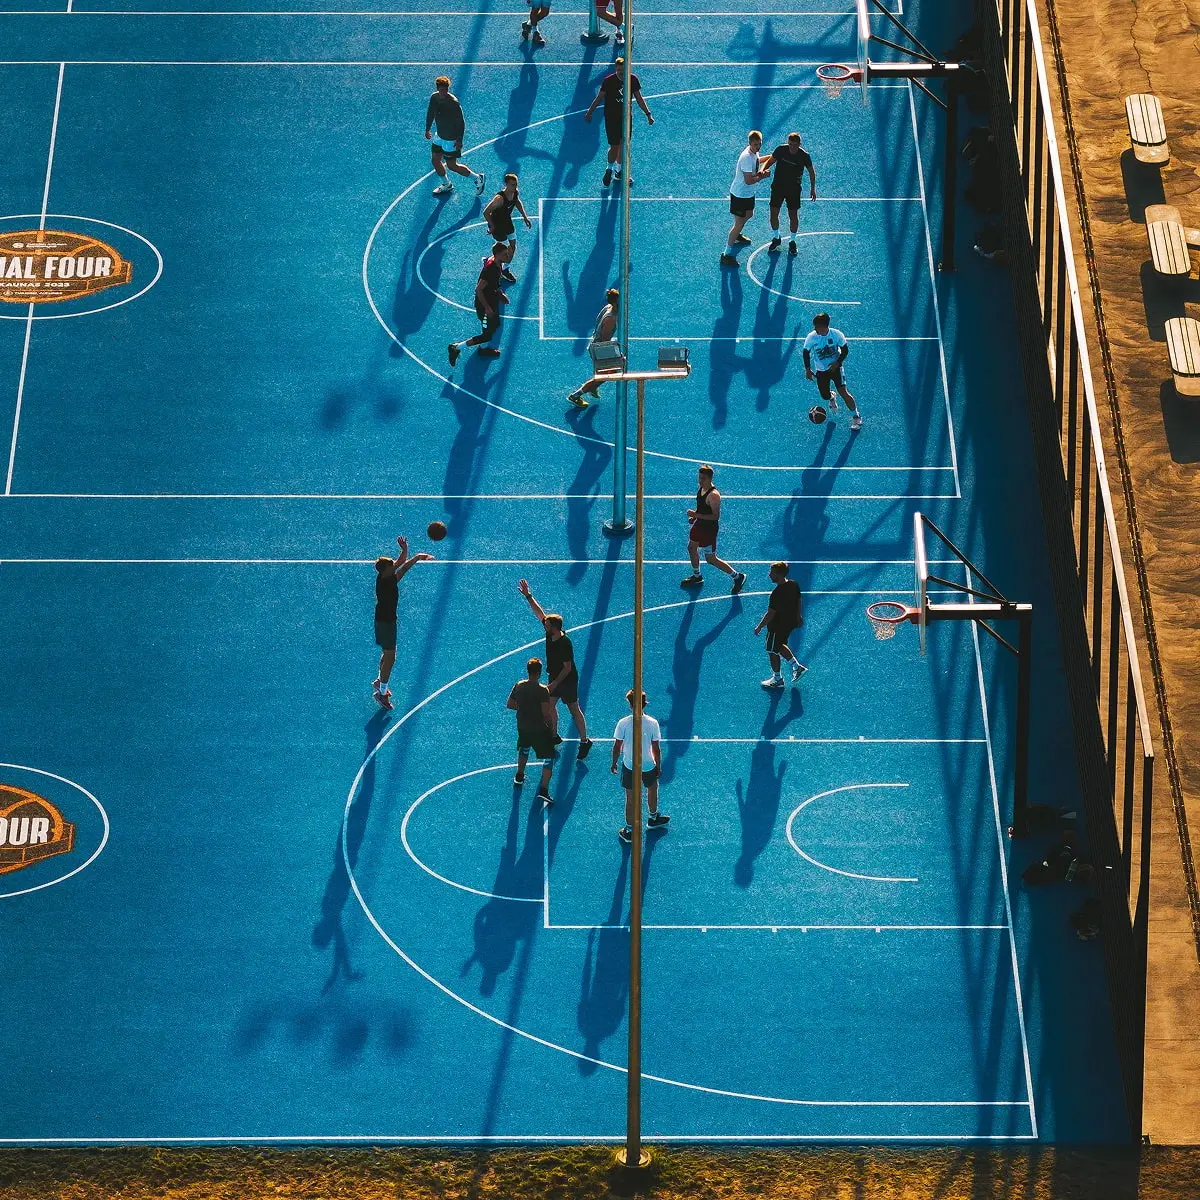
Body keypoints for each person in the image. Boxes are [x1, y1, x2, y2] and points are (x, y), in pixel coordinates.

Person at [517, 579, 594, 758]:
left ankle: (585, 741)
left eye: (547, 624)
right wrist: (528, 596)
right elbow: (540, 613)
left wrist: (554, 684)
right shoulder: (550, 633)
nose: (544, 624)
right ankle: (553, 736)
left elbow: (567, 668)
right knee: (549, 706)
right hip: (555, 677)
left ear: (554, 628)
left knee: (574, 709)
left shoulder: (565, 643)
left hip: (567, 680)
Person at [372, 536, 434, 709]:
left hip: (383, 620)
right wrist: (417, 557)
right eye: (391, 566)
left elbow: (400, 562)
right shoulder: (388, 582)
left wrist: (405, 550)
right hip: (386, 622)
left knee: (387, 653)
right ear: (386, 571)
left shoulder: (383, 576)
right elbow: (404, 568)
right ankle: (382, 693)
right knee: (390, 657)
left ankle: (379, 681)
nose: (394, 566)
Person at [584, 59, 653, 188]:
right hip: (612, 118)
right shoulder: (608, 81)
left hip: (626, 118)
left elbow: (639, 98)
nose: (621, 72)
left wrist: (648, 114)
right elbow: (599, 97)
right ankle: (609, 169)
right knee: (615, 146)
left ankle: (619, 171)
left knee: (624, 145)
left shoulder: (633, 80)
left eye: (623, 70)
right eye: (618, 70)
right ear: (615, 69)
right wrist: (590, 112)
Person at [611, 689, 668, 844]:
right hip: (648, 764)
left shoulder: (623, 723)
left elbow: (617, 747)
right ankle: (653, 818)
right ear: (644, 704)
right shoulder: (653, 723)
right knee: (652, 789)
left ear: (630, 705)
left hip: (629, 765)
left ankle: (629, 830)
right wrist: (658, 766)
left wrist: (614, 762)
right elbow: (656, 748)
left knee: (630, 798)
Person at [680, 465, 747, 593]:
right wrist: (695, 517)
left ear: (710, 478)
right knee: (691, 548)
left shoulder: (714, 495)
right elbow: (702, 506)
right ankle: (697, 576)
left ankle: (738, 576)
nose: (700, 481)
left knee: (710, 559)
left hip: (708, 530)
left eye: (703, 478)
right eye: (699, 477)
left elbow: (715, 517)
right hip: (699, 525)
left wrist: (696, 515)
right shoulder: (702, 488)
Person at [448, 242, 513, 364]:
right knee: (486, 335)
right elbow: (478, 289)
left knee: (495, 325)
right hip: (485, 306)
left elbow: (495, 283)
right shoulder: (491, 269)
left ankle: (483, 348)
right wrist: (487, 308)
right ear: (497, 255)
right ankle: (456, 347)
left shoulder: (498, 262)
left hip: (492, 301)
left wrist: (500, 294)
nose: (507, 256)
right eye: (504, 254)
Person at [506, 658, 558, 803]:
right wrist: (551, 730)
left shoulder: (519, 686)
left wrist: (524, 709)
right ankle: (544, 790)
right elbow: (546, 714)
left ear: (528, 671)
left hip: (523, 726)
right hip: (539, 729)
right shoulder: (542, 690)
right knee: (549, 757)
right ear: (539, 673)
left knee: (524, 748)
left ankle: (519, 776)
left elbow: (510, 704)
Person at [425, 76, 486, 197]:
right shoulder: (434, 97)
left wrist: (459, 140)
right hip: (439, 136)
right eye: (441, 90)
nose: (444, 92)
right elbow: (430, 113)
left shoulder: (453, 102)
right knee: (435, 161)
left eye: (446, 90)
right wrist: (427, 129)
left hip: (450, 139)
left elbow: (461, 122)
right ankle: (447, 184)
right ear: (437, 89)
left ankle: (478, 178)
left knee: (452, 166)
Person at [802, 312, 863, 431]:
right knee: (824, 396)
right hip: (821, 370)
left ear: (823, 326)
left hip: (836, 368)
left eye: (816, 327)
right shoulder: (811, 337)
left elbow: (845, 351)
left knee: (843, 392)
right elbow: (806, 352)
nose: (815, 329)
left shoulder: (836, 334)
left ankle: (856, 416)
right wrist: (808, 369)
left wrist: (837, 363)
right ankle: (831, 396)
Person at [753, 561, 807, 688]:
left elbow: (770, 614)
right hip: (789, 624)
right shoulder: (793, 584)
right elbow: (799, 600)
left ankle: (777, 679)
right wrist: (798, 616)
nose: (769, 575)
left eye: (772, 573)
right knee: (780, 645)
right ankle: (797, 667)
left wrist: (759, 626)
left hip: (776, 627)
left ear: (780, 575)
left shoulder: (776, 594)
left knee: (772, 650)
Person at [762, 132, 816, 254]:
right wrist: (762, 171)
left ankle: (792, 241)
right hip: (778, 188)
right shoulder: (781, 150)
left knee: (793, 216)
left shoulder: (804, 156)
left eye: (795, 145)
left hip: (794, 190)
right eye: (790, 144)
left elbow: (811, 172)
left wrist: (813, 188)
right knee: (773, 214)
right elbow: (770, 162)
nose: (792, 147)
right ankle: (776, 237)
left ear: (799, 144)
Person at [721, 130, 769, 268]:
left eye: (759, 144)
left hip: (748, 194)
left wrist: (772, 157)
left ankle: (737, 235)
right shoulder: (746, 157)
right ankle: (726, 255)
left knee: (749, 214)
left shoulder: (754, 153)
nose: (758, 147)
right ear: (750, 143)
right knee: (738, 224)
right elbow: (748, 181)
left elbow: (758, 161)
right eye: (755, 145)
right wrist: (762, 176)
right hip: (740, 195)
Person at [566, 287, 619, 409]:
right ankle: (576, 395)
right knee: (607, 375)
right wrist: (616, 352)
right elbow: (605, 341)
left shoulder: (608, 307)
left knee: (604, 374)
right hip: (599, 349)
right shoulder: (610, 319)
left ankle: (593, 387)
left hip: (595, 343)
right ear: (616, 302)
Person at [484, 173, 533, 284]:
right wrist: (492, 226)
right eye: (512, 185)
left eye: (516, 184)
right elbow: (486, 212)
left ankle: (505, 269)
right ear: (506, 184)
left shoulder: (515, 193)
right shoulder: (499, 199)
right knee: (502, 251)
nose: (515, 187)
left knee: (512, 246)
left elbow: (517, 202)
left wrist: (524, 216)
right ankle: (492, 262)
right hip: (497, 225)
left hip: (507, 222)